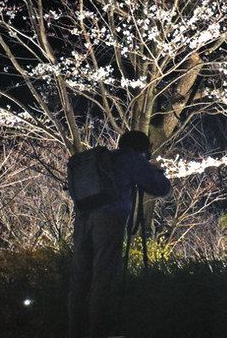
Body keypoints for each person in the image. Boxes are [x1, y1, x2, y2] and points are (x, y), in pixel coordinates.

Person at [68, 130, 172, 338]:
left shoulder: (104, 159)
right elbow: (161, 187)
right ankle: (99, 331)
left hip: (82, 218)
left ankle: (75, 331)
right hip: (109, 219)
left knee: (80, 276)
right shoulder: (133, 159)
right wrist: (157, 171)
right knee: (103, 275)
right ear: (142, 148)